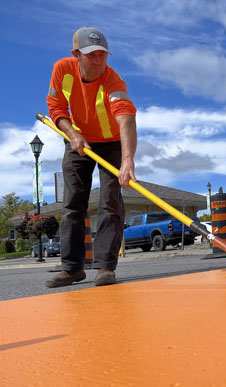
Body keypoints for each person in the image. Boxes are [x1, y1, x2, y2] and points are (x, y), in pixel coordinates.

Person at [46, 27, 137, 287]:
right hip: (78, 140)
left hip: (111, 144)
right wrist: (72, 134)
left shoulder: (113, 80)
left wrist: (128, 160)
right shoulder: (62, 70)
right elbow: (56, 107)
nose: (98, 60)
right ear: (77, 54)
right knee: (73, 202)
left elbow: (126, 117)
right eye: (91, 55)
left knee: (110, 200)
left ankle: (105, 267)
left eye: (102, 54)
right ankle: (72, 268)